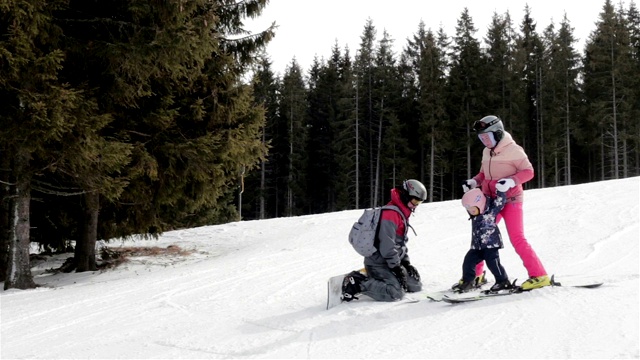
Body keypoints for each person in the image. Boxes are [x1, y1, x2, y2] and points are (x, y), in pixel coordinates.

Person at [462, 115, 550, 290]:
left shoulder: (514, 150)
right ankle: (476, 276)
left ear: (498, 133)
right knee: (481, 237)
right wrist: (474, 181)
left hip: (510, 200)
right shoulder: (487, 151)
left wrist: (512, 180)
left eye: (487, 137)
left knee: (517, 238)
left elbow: (529, 171)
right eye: (481, 138)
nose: (484, 141)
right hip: (489, 201)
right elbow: (483, 174)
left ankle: (539, 275)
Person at [342, 179, 427, 302]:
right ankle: (358, 282)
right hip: (378, 262)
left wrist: (406, 264)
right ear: (405, 195)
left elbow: (400, 242)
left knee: (415, 285)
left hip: (389, 261)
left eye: (419, 202)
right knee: (395, 293)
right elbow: (387, 245)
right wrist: (396, 267)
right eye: (414, 201)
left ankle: (377, 278)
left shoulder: (401, 213)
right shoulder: (390, 214)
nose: (415, 205)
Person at [452, 187, 514, 292]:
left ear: (480, 205)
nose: (470, 212)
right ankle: (468, 281)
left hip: (491, 245)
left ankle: (503, 281)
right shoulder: (475, 213)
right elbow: (474, 196)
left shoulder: (491, 210)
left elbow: (500, 201)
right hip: (477, 246)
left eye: (472, 210)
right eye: (468, 210)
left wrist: (501, 189)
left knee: (493, 263)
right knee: (468, 261)